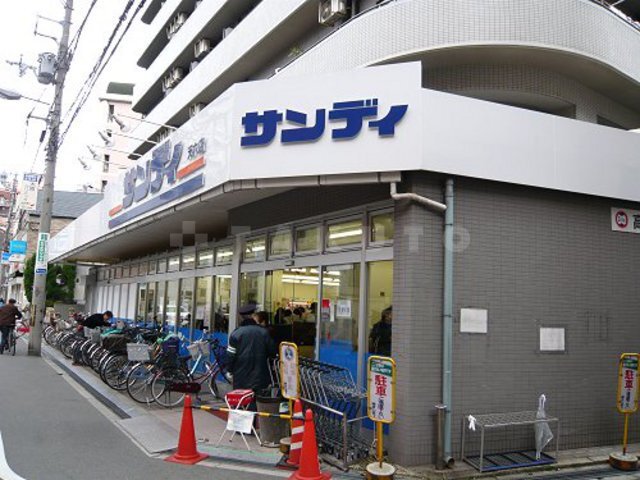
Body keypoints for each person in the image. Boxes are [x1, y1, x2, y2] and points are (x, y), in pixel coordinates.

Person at [226, 304, 276, 393]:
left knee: (242, 399)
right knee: (259, 399)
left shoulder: (236, 334)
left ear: (241, 317)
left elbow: (230, 356)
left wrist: (229, 370)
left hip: (241, 376)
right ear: (253, 316)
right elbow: (273, 352)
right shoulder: (264, 332)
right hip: (260, 376)